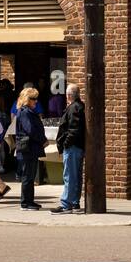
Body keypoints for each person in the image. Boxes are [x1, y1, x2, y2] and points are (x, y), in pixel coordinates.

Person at [53, 83, 85, 214]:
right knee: (76, 176)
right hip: (77, 147)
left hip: (72, 147)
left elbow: (73, 130)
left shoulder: (73, 108)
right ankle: (74, 202)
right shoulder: (79, 107)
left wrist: (65, 143)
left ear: (69, 95)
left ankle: (66, 204)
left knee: (70, 176)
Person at [13, 86, 47, 210]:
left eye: (36, 98)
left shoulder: (27, 111)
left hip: (30, 148)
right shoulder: (25, 112)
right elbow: (30, 130)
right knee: (27, 176)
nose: (36, 101)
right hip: (28, 148)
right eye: (33, 98)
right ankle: (25, 203)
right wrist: (42, 140)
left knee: (31, 176)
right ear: (27, 99)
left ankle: (30, 201)